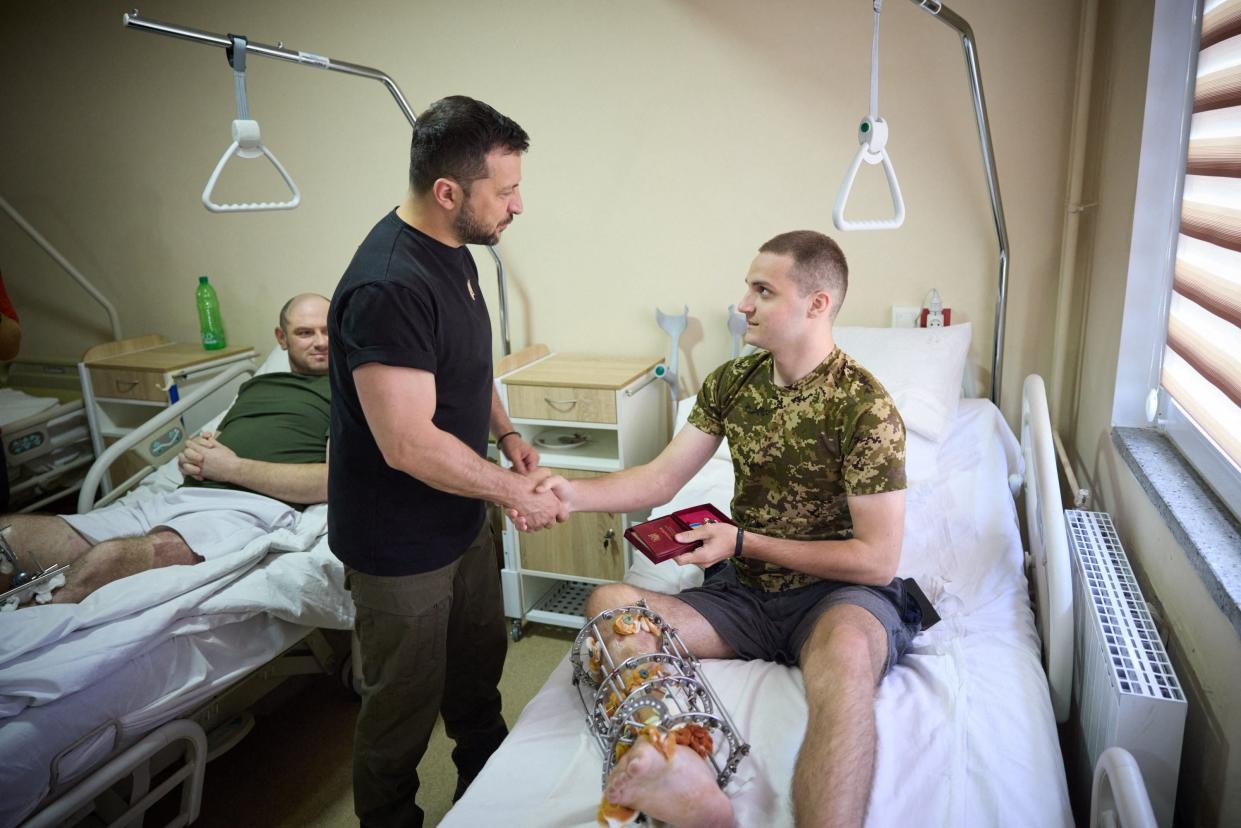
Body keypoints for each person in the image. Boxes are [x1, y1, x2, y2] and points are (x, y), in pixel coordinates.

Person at [537, 231, 921, 828]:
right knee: (612, 605)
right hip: (744, 594)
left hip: (836, 598)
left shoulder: (864, 407)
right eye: (749, 287)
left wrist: (742, 541)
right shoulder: (731, 383)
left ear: (817, 304)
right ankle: (680, 769)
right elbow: (660, 479)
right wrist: (572, 493)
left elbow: (877, 561)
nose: (742, 303)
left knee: (847, 659)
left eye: (762, 291)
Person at [327, 95, 561, 828]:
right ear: (448, 192)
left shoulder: (458, 252)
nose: (518, 205)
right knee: (400, 713)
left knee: (476, 686)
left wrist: (508, 436)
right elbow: (408, 443)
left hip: (459, 525)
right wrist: (511, 492)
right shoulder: (388, 285)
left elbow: (466, 368)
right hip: (400, 548)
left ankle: (485, 802)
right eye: (505, 190)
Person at [0, 293, 331, 605]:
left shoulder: (350, 392)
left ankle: (32, 619)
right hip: (184, 495)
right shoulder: (256, 384)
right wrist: (198, 453)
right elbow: (223, 437)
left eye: (328, 331)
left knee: (109, 559)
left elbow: (329, 482)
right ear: (281, 337)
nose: (321, 342)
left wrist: (229, 468)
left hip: (248, 508)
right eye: (305, 332)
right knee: (15, 535)